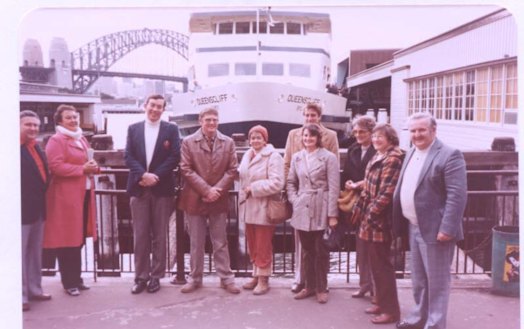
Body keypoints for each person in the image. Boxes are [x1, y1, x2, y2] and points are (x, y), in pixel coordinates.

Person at [392, 112, 467, 329]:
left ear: (433, 130)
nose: (417, 134)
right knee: (419, 281)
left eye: (421, 130)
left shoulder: (450, 155)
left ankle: (434, 324)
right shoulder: (411, 152)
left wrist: (447, 229)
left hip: (436, 230)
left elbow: (457, 195)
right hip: (413, 225)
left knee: (437, 283)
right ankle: (418, 318)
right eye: (413, 130)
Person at [178, 107, 240, 294]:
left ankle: (226, 278)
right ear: (200, 121)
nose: (211, 123)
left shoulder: (228, 142)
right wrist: (206, 190)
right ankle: (195, 278)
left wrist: (216, 190)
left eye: (214, 120)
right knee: (196, 242)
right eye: (208, 120)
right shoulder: (188, 142)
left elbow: (232, 169)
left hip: (218, 198)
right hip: (194, 198)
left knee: (220, 241)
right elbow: (185, 168)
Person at [125, 94, 181, 294]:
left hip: (161, 188)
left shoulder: (171, 129)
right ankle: (141, 277)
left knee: (160, 235)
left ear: (164, 109)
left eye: (160, 106)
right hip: (139, 187)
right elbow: (128, 156)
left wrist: (155, 176)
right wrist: (143, 175)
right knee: (140, 235)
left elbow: (175, 156)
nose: (155, 109)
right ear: (144, 106)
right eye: (152, 105)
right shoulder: (133, 129)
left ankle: (156, 276)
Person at [284, 102, 339, 293]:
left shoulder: (329, 155)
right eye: (305, 136)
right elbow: (290, 179)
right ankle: (307, 286)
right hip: (302, 205)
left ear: (318, 137)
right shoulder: (297, 156)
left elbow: (334, 184)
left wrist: (332, 214)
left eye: (311, 135)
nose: (307, 138)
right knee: (306, 250)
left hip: (321, 205)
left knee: (320, 249)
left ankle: (321, 289)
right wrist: (294, 199)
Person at [43, 104, 98, 296]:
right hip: (65, 200)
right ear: (59, 121)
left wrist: (93, 167)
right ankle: (69, 282)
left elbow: (86, 162)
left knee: (79, 239)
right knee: (67, 241)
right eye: (69, 118)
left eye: (75, 117)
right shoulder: (56, 140)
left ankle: (77, 278)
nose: (73, 120)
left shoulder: (80, 138)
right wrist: (82, 169)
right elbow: (55, 166)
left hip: (81, 197)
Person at [351, 123, 403, 324]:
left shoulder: (393, 159)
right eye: (374, 137)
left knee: (383, 266)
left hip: (380, 220)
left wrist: (370, 214)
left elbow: (387, 192)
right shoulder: (378, 155)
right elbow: (369, 182)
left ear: (390, 138)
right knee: (375, 264)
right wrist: (360, 206)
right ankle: (380, 302)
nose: (376, 140)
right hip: (369, 217)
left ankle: (391, 311)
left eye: (380, 137)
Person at [238, 125, 285, 295]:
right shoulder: (247, 154)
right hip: (249, 206)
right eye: (252, 137)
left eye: (259, 137)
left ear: (265, 139)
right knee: (252, 242)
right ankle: (256, 274)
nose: (255, 140)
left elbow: (278, 182)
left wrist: (253, 188)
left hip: (264, 206)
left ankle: (264, 278)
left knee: (263, 243)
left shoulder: (273, 157)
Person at [341, 116, 377, 300]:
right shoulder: (353, 149)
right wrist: (348, 182)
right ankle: (364, 284)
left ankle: (376, 289)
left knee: (375, 249)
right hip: (357, 205)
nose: (358, 135)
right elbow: (347, 172)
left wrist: (359, 185)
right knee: (360, 246)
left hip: (374, 204)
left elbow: (377, 176)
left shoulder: (379, 150)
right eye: (355, 132)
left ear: (371, 132)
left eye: (362, 131)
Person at [20, 110, 51, 311]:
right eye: (28, 125)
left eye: (35, 125)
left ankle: (34, 289)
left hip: (38, 208)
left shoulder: (37, 148)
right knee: (19, 254)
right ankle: (20, 295)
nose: (33, 128)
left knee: (34, 253)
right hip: (21, 210)